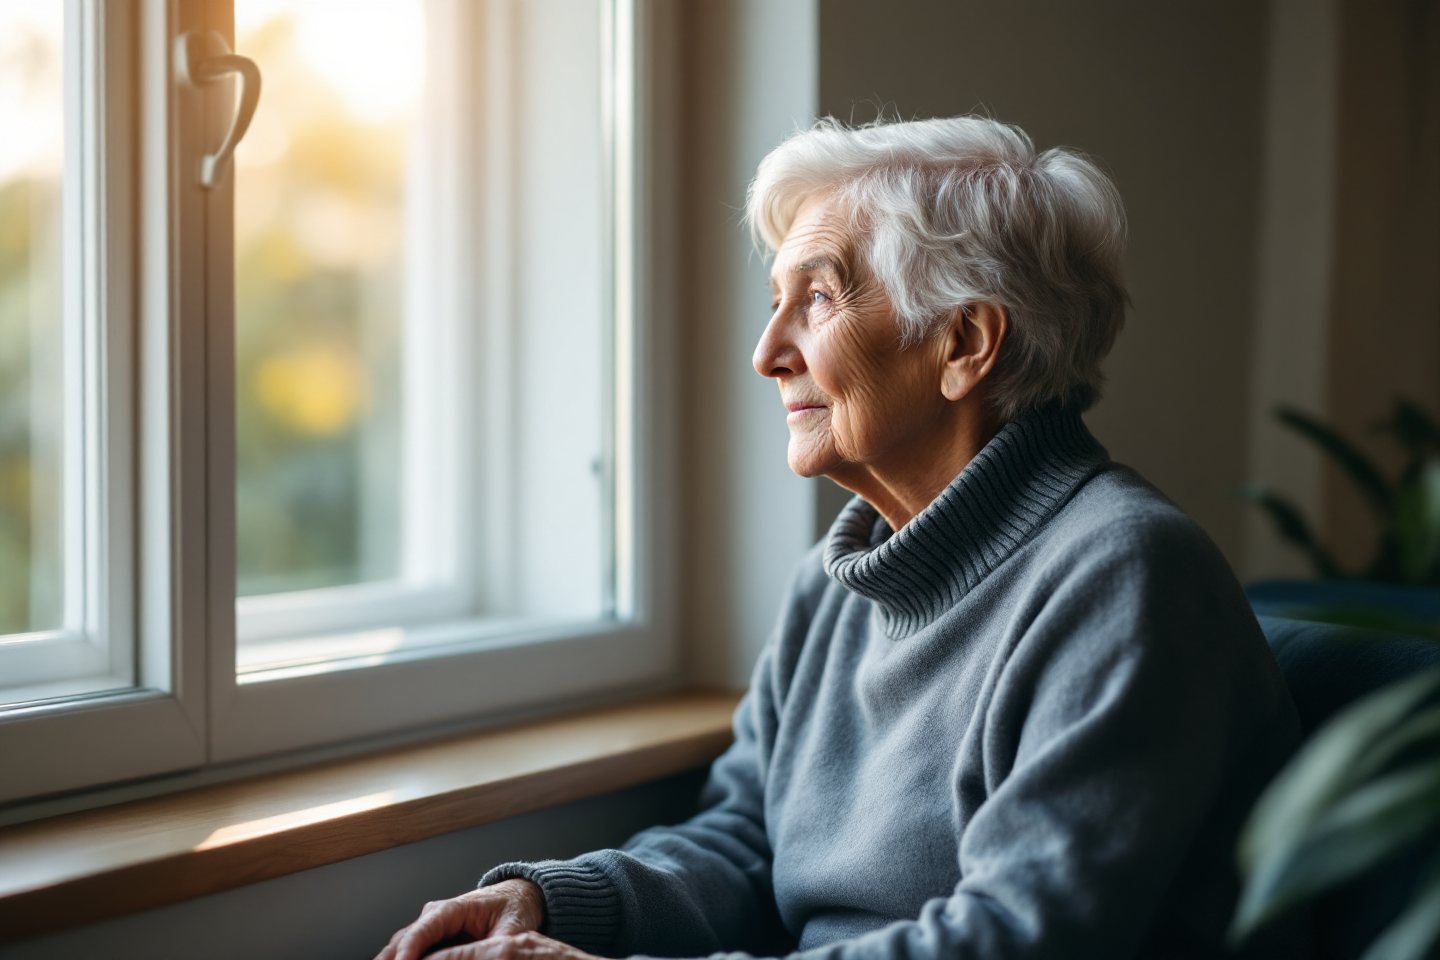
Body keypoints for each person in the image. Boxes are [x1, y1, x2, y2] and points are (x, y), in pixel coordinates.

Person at [376, 116, 1309, 960]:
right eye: (775, 301)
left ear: (964, 344)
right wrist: (554, 904)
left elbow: (1016, 941)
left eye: (815, 298)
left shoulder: (1126, 576)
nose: (767, 351)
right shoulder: (837, 579)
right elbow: (747, 840)